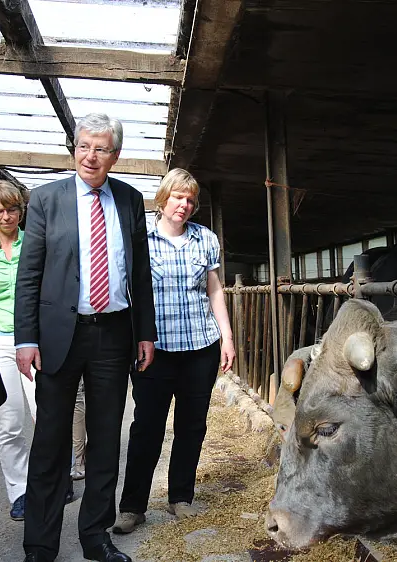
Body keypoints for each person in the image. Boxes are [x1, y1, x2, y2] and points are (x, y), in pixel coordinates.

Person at [15, 112, 157, 562]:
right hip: (60, 333)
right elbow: (29, 273)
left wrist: (145, 333)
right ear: (73, 149)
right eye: (83, 146)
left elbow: (140, 273)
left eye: (100, 149)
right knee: (50, 440)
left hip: (114, 334)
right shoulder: (45, 199)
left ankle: (95, 536)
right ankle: (40, 544)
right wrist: (25, 338)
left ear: (114, 155)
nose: (90, 156)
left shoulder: (131, 200)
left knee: (104, 437)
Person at [113, 168, 236, 534]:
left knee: (192, 426)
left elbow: (214, 290)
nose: (183, 205)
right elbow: (129, 292)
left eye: (190, 200)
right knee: (147, 427)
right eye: (178, 197)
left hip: (200, 346)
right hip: (155, 349)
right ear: (163, 199)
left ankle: (181, 497)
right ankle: (132, 506)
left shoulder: (205, 239)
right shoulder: (141, 240)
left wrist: (226, 337)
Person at [0, 179, 37, 522]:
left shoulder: (34, 244)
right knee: (10, 420)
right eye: (0, 210)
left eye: (12, 209)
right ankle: (20, 491)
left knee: (45, 413)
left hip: (35, 339)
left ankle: (52, 478)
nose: (7, 216)